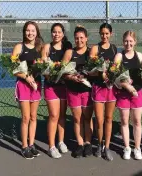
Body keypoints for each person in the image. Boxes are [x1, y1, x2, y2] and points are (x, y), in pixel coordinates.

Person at [12, 21, 44, 159]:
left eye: (33, 30)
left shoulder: (40, 48)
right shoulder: (19, 47)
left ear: (37, 32)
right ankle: (24, 146)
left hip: (36, 85)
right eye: (28, 30)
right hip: (23, 85)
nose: (30, 33)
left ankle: (32, 144)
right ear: (24, 32)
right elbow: (13, 69)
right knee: (25, 117)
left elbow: (43, 66)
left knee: (33, 117)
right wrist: (26, 77)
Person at [41, 23, 72, 158]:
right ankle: (51, 146)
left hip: (64, 86)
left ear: (63, 34)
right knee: (54, 115)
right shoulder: (47, 47)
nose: (56, 34)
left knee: (62, 115)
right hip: (51, 86)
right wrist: (51, 74)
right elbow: (43, 68)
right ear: (51, 33)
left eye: (59, 32)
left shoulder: (67, 47)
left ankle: (60, 141)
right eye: (54, 32)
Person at [62, 25, 93, 158]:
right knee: (76, 118)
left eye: (81, 38)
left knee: (87, 117)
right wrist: (72, 77)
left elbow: (95, 72)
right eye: (76, 38)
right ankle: (80, 144)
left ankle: (88, 143)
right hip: (73, 90)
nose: (79, 40)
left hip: (87, 91)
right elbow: (62, 73)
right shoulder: (69, 53)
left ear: (86, 38)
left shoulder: (91, 52)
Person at [113, 31, 142, 160]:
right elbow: (114, 74)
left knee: (137, 121)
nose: (128, 43)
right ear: (123, 41)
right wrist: (125, 84)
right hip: (123, 94)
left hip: (137, 93)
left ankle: (137, 148)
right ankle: (127, 148)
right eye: (126, 41)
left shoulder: (140, 56)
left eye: (131, 41)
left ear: (135, 42)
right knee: (124, 121)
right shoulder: (119, 56)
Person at [89, 23, 117, 161]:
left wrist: (112, 74)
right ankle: (99, 144)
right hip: (98, 88)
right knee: (99, 120)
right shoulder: (95, 48)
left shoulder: (114, 48)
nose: (104, 36)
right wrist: (100, 73)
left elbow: (116, 68)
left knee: (108, 119)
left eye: (107, 33)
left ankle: (107, 146)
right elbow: (90, 69)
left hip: (111, 89)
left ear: (111, 34)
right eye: (102, 33)